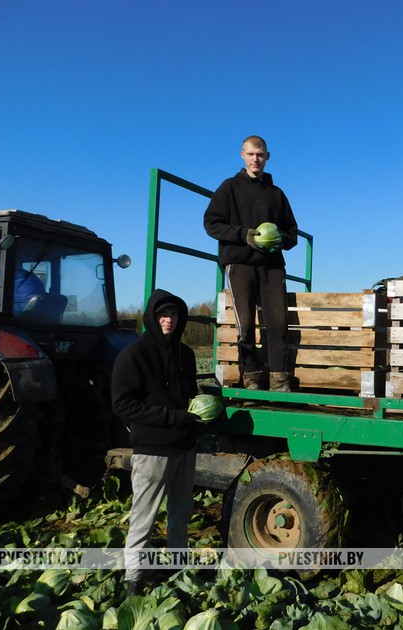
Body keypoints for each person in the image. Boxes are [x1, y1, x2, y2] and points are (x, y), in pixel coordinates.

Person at [111, 289, 200, 595]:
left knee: (180, 517)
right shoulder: (133, 356)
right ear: (151, 317)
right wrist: (174, 417)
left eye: (173, 315)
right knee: (144, 518)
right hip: (152, 452)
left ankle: (178, 571)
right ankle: (134, 579)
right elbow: (123, 405)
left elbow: (190, 395)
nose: (168, 320)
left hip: (185, 448)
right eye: (163, 315)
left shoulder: (186, 355)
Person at [204, 135, 299, 392]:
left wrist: (280, 240)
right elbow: (212, 224)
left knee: (278, 323)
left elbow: (292, 233)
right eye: (251, 154)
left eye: (260, 154)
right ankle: (251, 378)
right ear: (242, 156)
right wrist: (243, 234)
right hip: (240, 263)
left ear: (267, 157)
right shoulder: (229, 188)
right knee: (245, 325)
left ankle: (279, 379)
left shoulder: (277, 194)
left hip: (272, 266)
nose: (255, 159)